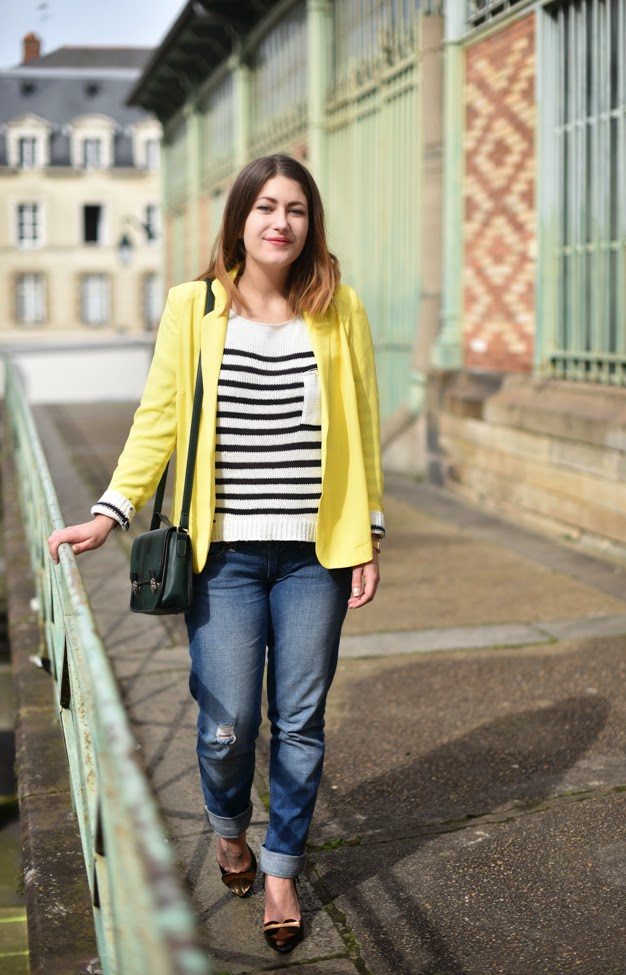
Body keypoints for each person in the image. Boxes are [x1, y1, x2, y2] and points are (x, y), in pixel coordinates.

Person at [48, 153, 384, 954]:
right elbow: (158, 416)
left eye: (295, 209)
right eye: (266, 206)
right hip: (221, 557)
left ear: (311, 224)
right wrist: (109, 510)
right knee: (227, 722)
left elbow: (363, 424)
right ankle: (229, 827)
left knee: (299, 720)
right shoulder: (193, 307)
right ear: (238, 218)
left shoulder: (338, 309)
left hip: (315, 555)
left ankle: (279, 867)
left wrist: (368, 528)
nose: (280, 222)